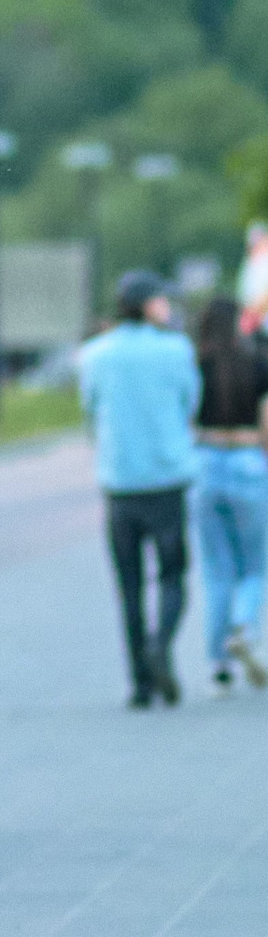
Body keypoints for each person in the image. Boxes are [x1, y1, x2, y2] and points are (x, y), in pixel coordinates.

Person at [80, 272, 201, 708]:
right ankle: (161, 642)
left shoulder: (95, 355)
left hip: (120, 483)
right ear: (149, 306)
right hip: (167, 479)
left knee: (128, 585)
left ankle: (140, 682)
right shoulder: (176, 350)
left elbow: (90, 410)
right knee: (172, 575)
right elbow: (191, 402)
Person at [192, 296, 268, 690]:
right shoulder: (257, 363)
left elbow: (186, 417)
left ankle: (218, 662)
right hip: (247, 460)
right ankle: (242, 626)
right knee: (254, 566)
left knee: (217, 570)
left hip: (205, 462)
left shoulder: (197, 363)